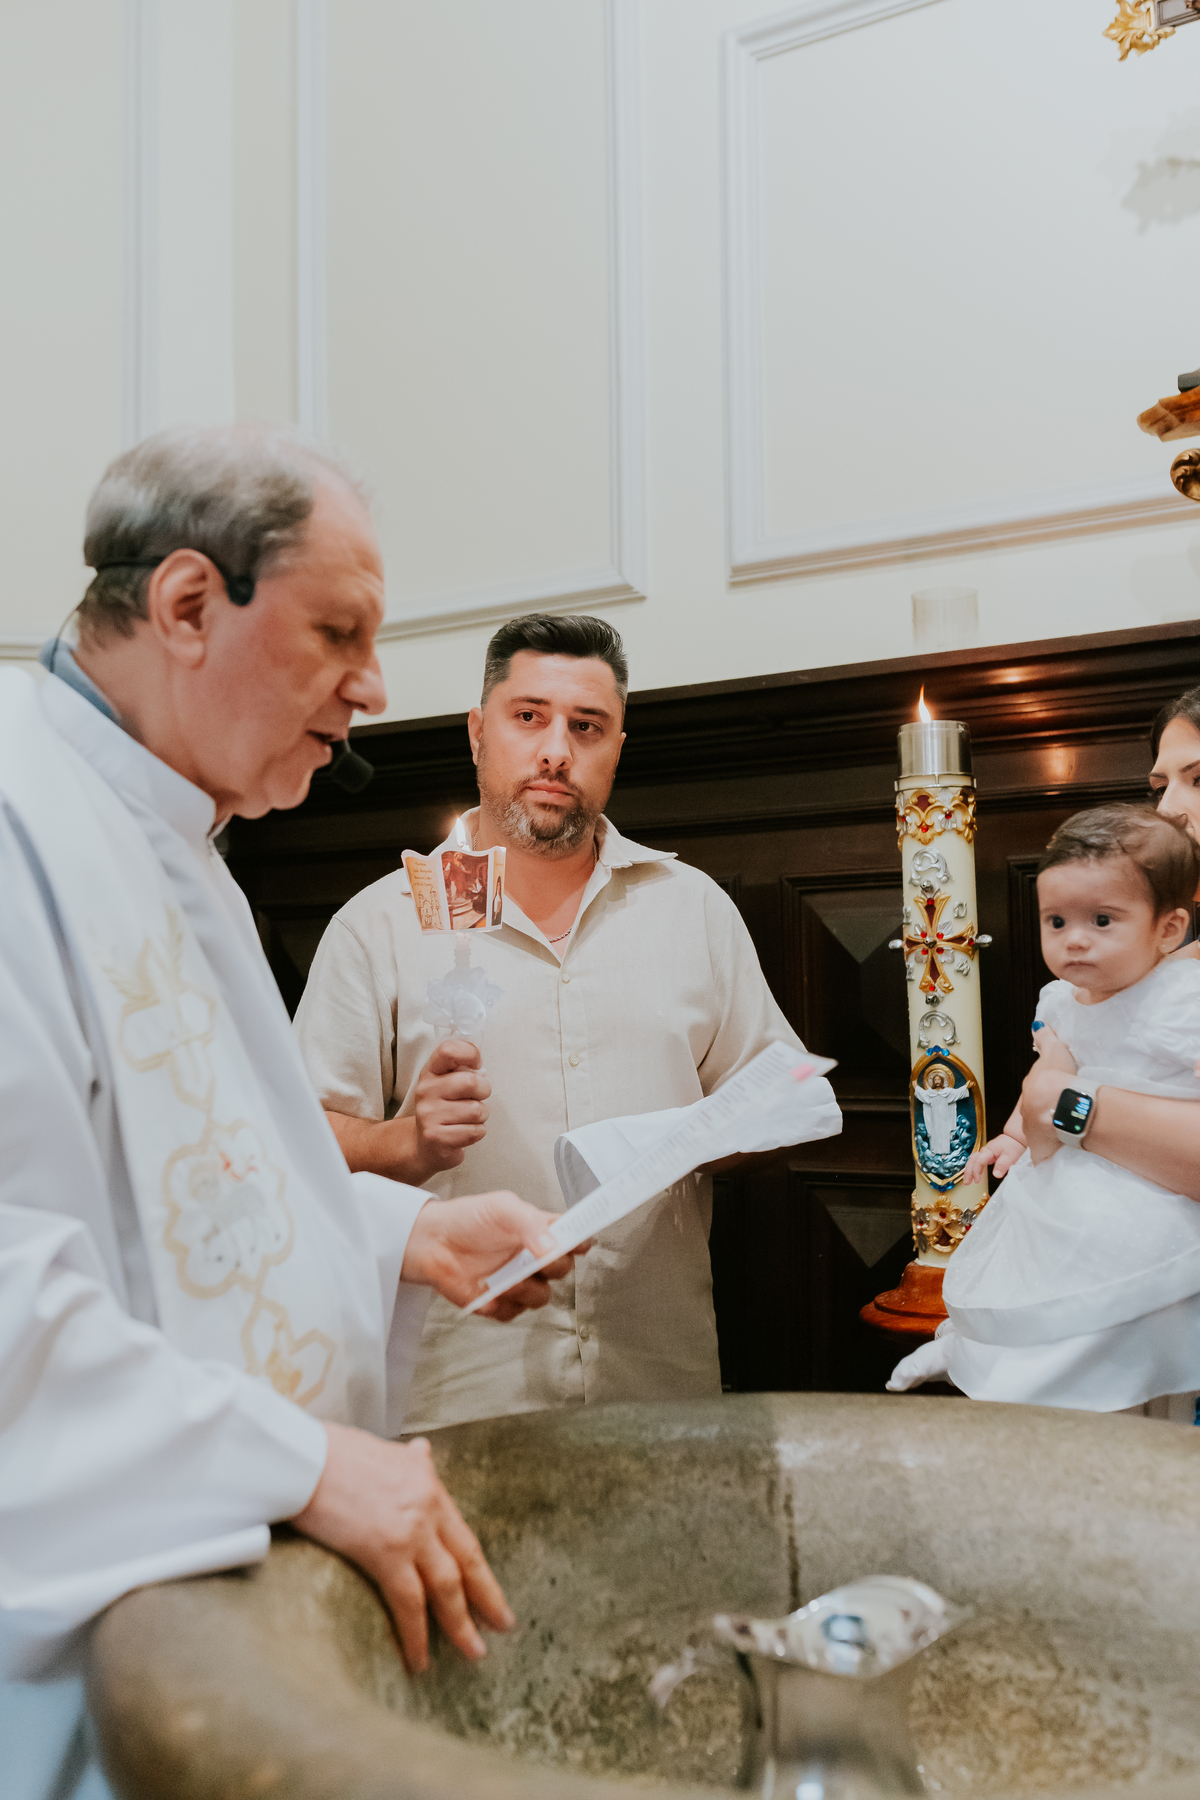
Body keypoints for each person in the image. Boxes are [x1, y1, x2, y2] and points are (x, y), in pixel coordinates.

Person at [0, 427, 581, 1800]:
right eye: (340, 634)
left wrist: (401, 1241)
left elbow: (198, 1179)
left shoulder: (175, 833)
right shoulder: (23, 823)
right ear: (190, 606)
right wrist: (301, 1462)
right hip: (82, 1663)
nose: (373, 687)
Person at [295, 612, 842, 1433]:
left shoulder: (690, 909)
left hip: (654, 1376)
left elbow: (772, 1097)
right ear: (478, 733)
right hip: (457, 1386)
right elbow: (293, 1143)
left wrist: (689, 1141)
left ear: (617, 746)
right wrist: (404, 1143)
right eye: (528, 718)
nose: (556, 749)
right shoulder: (381, 924)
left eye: (586, 727)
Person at [890, 804, 1200, 1412]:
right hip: (1069, 1170)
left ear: (1168, 929)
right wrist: (1012, 1137)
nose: (1075, 939)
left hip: (1149, 1184)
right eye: (1056, 921)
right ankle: (967, 1346)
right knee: (1024, 1267)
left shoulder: (1180, 999)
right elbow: (1044, 1082)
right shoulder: (1062, 1001)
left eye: (1103, 921)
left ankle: (1031, 1383)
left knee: (1104, 1296)